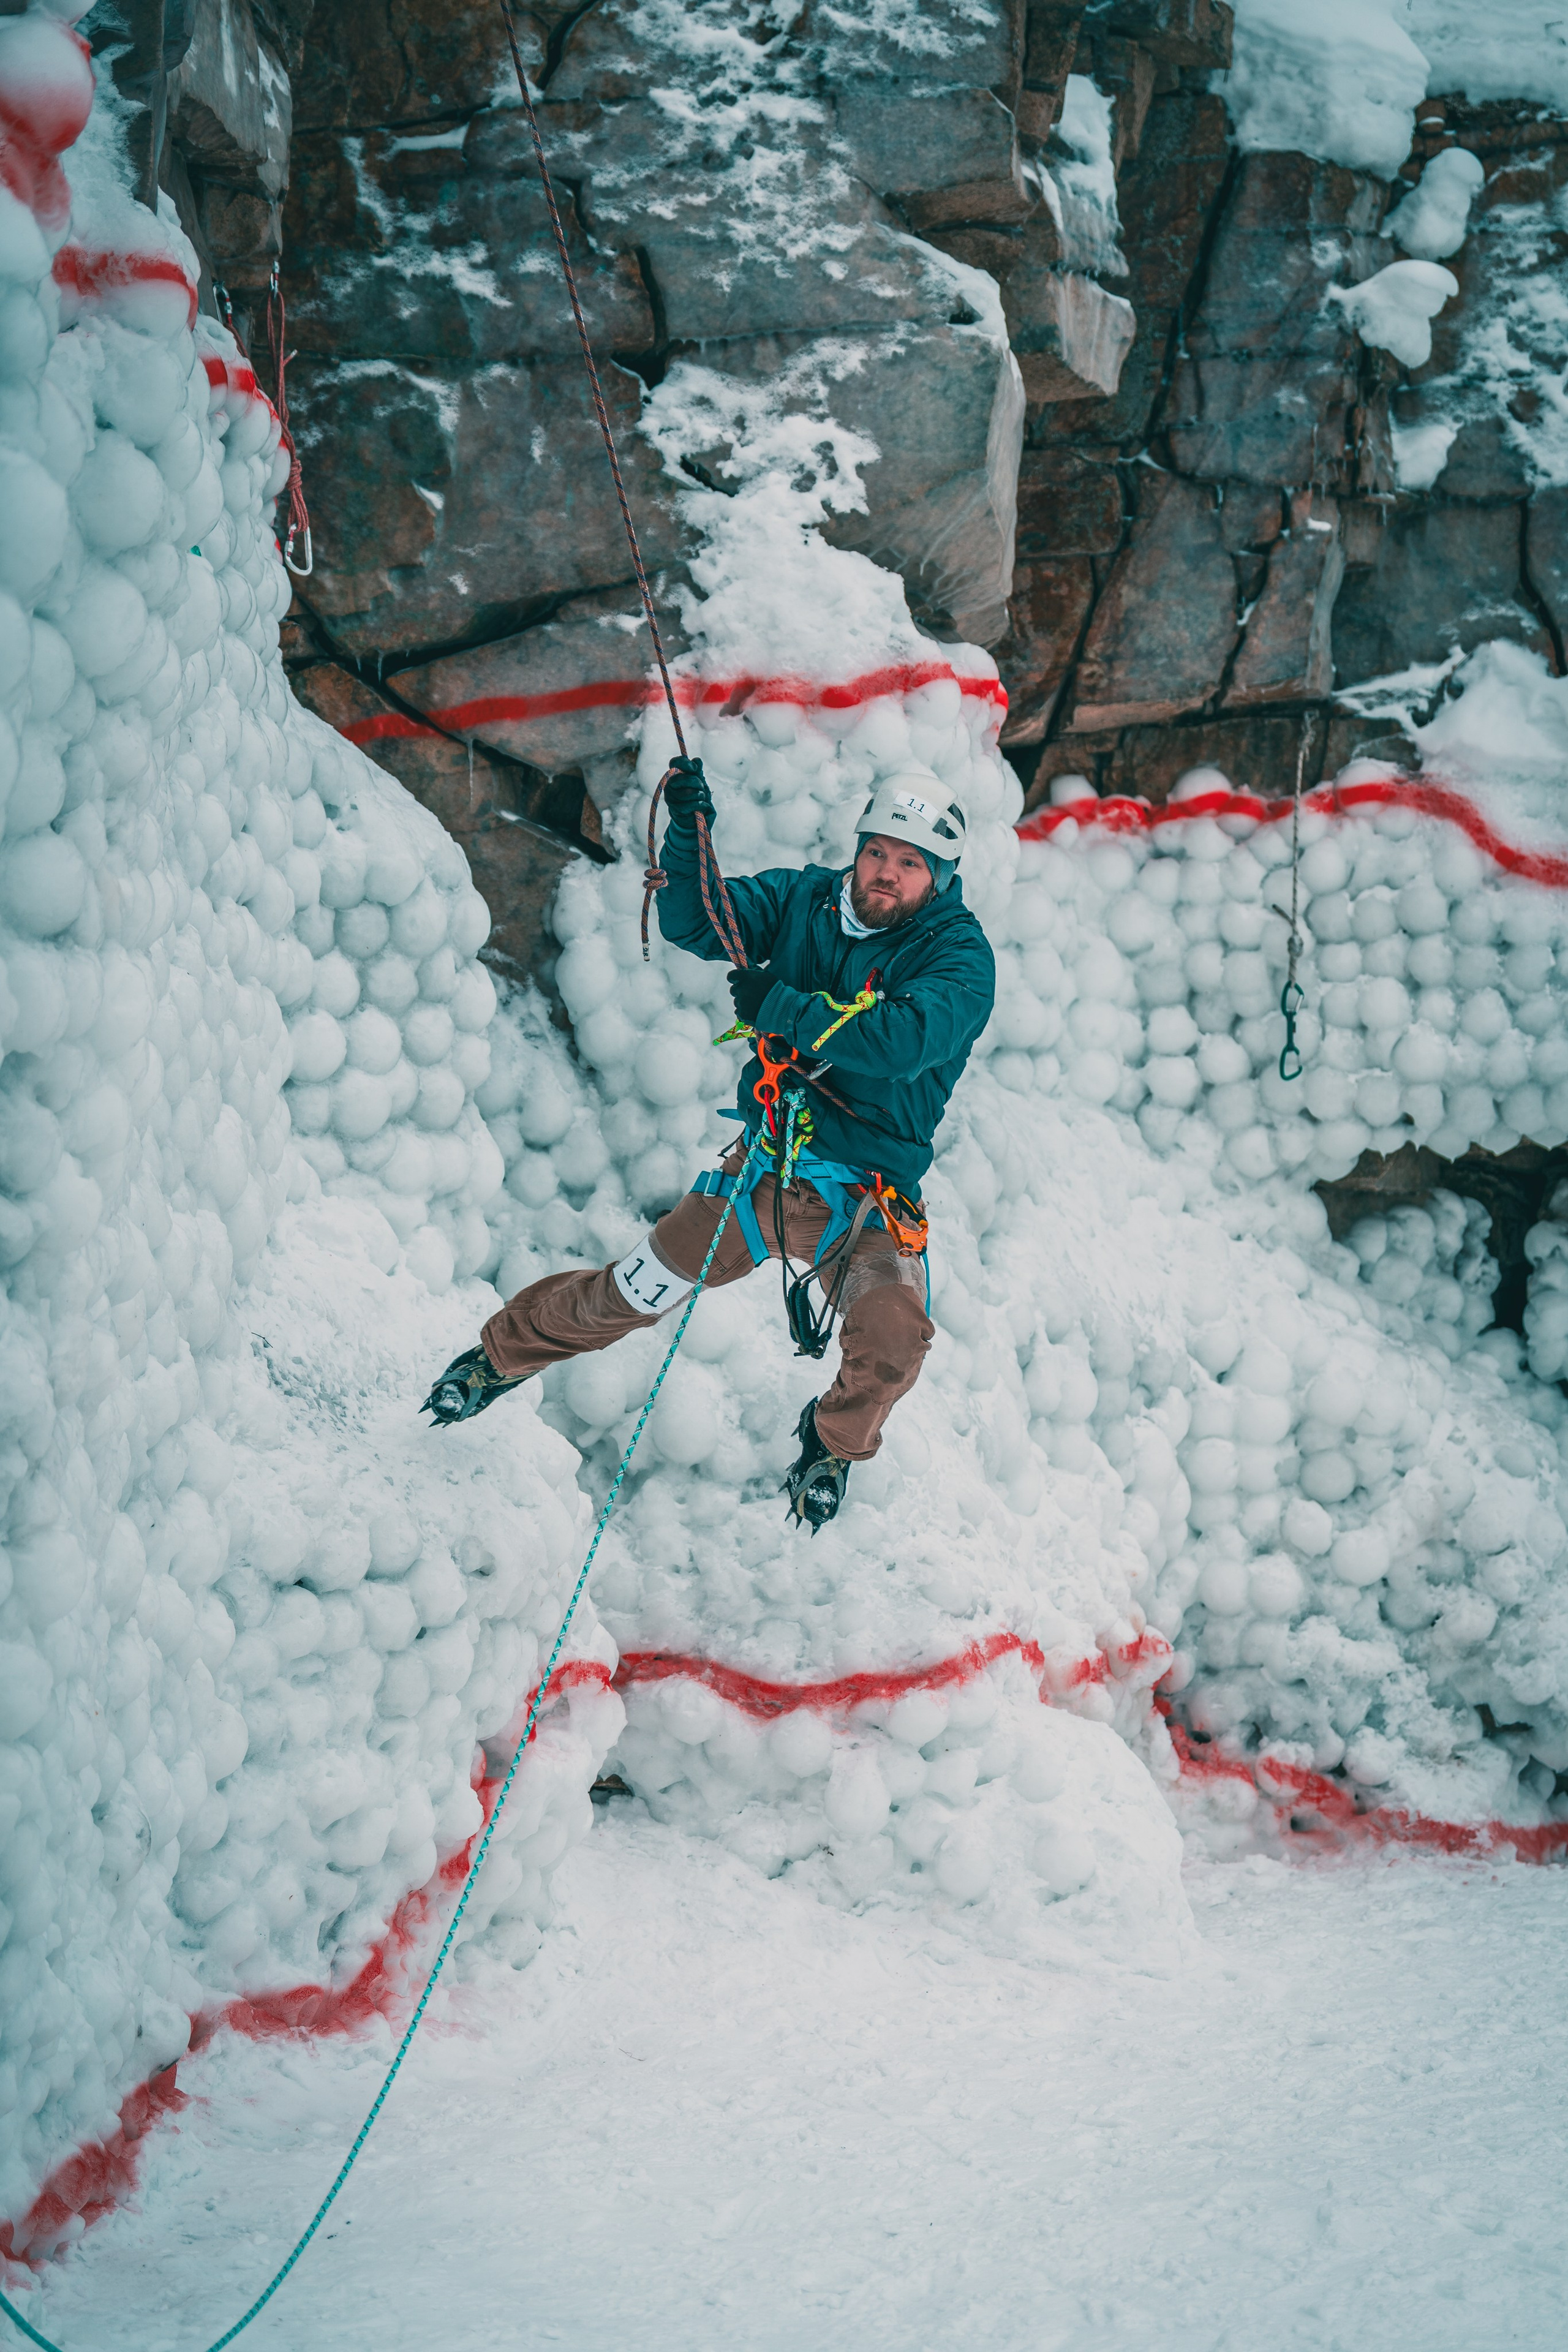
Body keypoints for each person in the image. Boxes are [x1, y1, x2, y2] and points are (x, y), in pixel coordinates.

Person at [423, 756, 997, 1529]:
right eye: (876, 852)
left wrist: (783, 1007)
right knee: (628, 1292)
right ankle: (497, 1359)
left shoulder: (958, 956)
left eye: (909, 863)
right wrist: (693, 835)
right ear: (857, 850)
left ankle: (829, 1444)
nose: (885, 874)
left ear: (941, 877)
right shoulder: (804, 900)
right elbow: (701, 923)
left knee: (893, 1336)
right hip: (764, 1176)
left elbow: (903, 1039)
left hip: (864, 1205)